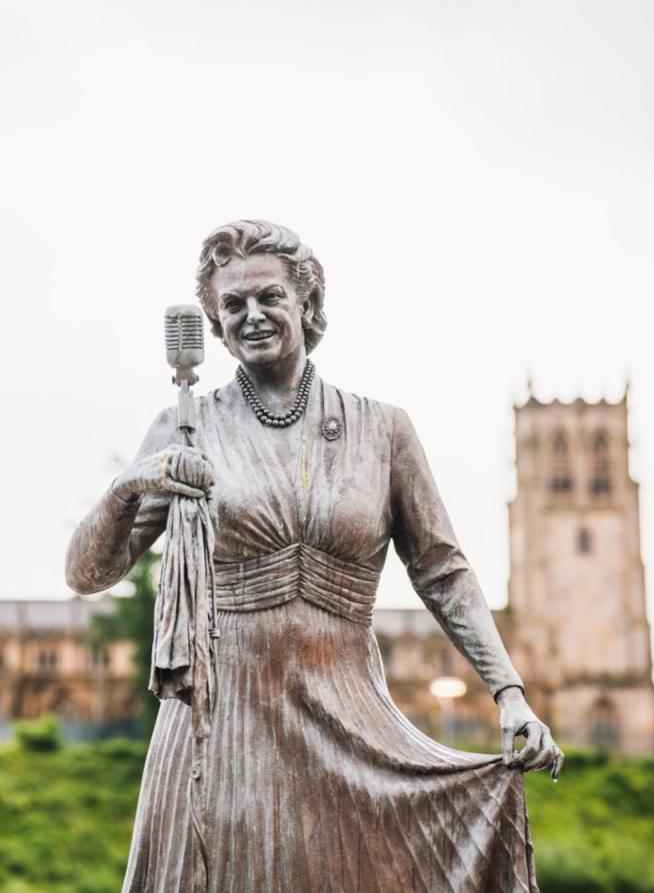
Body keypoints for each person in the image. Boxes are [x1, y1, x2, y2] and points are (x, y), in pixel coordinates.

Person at [66, 219, 562, 893]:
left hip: (350, 718)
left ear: (306, 300)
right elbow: (87, 574)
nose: (251, 316)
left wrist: (510, 695)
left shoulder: (383, 429)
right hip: (221, 726)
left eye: (268, 296)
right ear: (213, 323)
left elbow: (443, 570)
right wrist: (130, 487)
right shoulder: (185, 426)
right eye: (231, 305)